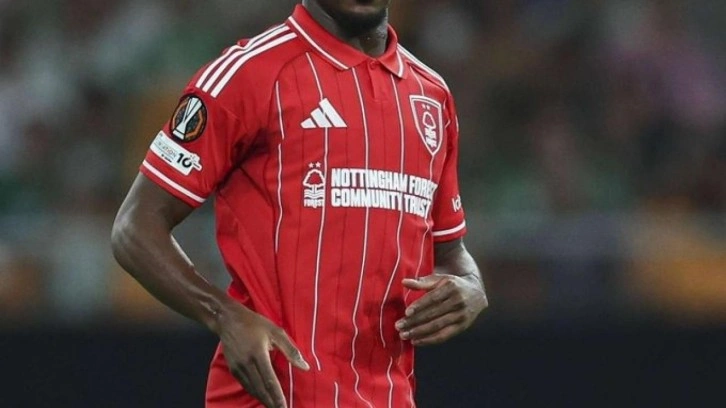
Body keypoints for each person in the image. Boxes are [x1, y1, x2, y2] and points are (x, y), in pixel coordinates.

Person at [111, 1, 488, 407]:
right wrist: (224, 315)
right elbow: (135, 228)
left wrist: (471, 285)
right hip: (273, 395)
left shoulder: (431, 94)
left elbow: (450, 253)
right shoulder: (248, 73)